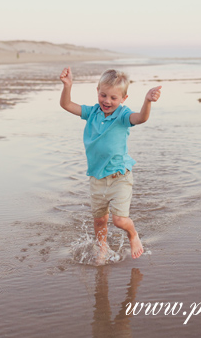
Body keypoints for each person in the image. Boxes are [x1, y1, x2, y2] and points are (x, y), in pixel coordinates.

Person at [59, 67, 161, 262]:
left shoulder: (123, 115)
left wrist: (147, 101)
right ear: (97, 90)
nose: (107, 101)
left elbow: (141, 118)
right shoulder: (92, 113)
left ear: (123, 98)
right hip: (97, 177)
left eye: (113, 98)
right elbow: (66, 104)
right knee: (99, 221)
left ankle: (133, 234)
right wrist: (68, 86)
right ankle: (102, 249)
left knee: (119, 220)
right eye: (103, 95)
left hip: (119, 176)